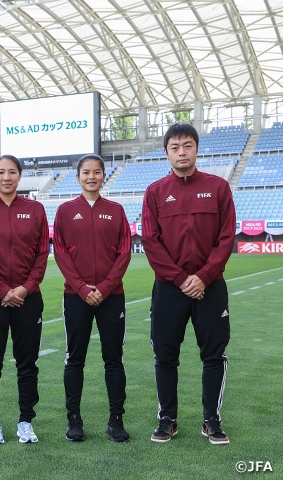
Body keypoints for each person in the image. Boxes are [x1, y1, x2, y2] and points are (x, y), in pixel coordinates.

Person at [142, 123, 236, 444]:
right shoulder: (155, 192)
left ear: (197, 148)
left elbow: (226, 239)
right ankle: (167, 418)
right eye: (174, 147)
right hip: (170, 288)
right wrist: (183, 279)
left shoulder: (219, 188)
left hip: (211, 286)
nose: (181, 152)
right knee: (165, 356)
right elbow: (151, 243)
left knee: (213, 355)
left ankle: (211, 419)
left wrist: (204, 277)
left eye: (187, 146)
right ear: (166, 152)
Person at [0, 155, 49, 445]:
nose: (6, 177)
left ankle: (26, 420)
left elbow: (42, 254)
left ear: (19, 176)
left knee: (27, 364)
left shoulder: (35, 209)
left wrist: (26, 288)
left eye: (12, 172)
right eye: (1, 172)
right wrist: (2, 290)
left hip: (29, 298)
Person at [53, 154, 131, 443]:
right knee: (75, 358)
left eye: (97, 172)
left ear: (103, 176)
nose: (91, 177)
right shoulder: (64, 211)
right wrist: (82, 288)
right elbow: (60, 252)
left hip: (112, 296)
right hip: (76, 296)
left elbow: (124, 252)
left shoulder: (116, 210)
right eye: (86, 172)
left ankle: (116, 420)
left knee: (114, 359)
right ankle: (74, 420)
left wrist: (106, 287)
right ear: (78, 177)